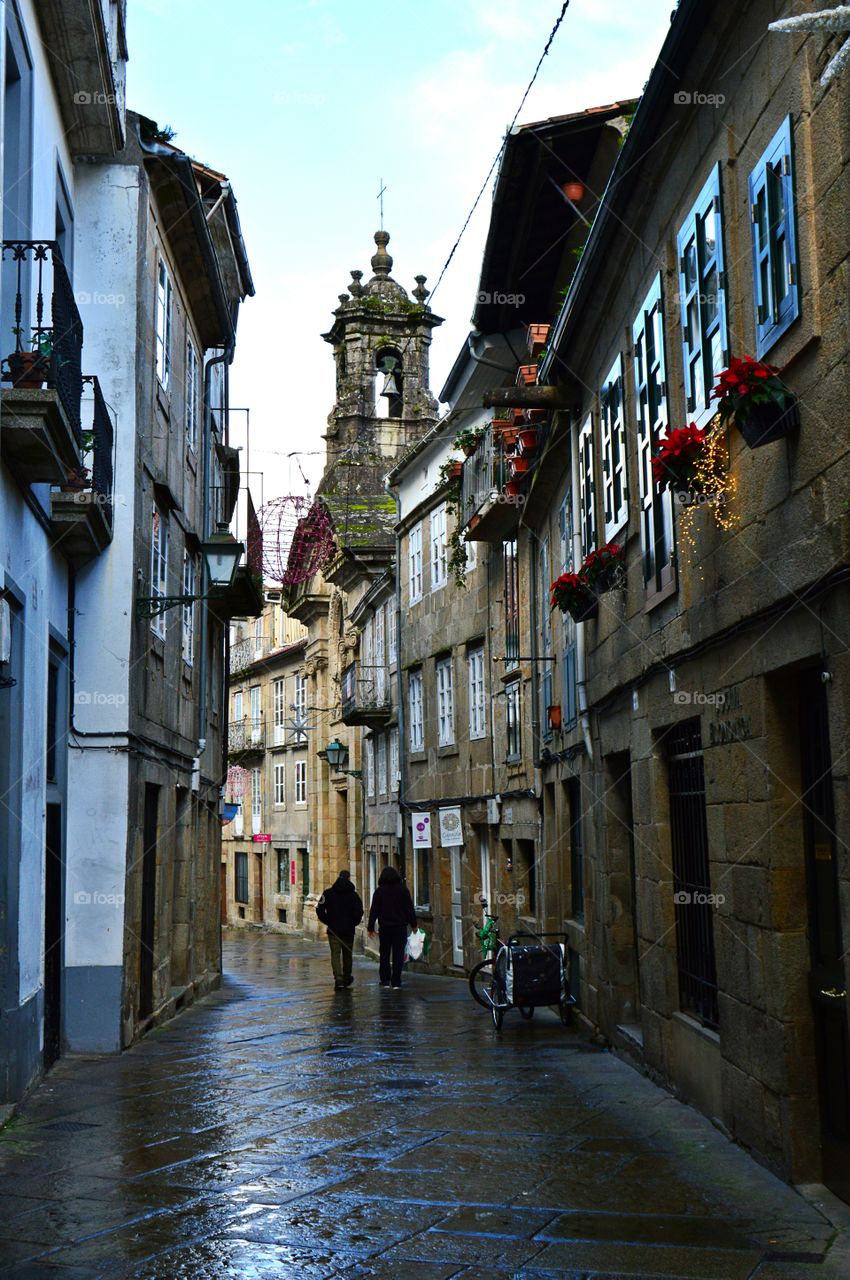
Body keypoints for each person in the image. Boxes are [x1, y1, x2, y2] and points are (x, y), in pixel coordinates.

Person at [367, 865, 416, 989]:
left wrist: (370, 927)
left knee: (384, 953)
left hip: (385, 927)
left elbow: (374, 911)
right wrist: (414, 924)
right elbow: (409, 909)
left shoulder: (379, 892)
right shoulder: (403, 890)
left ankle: (385, 980)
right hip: (400, 927)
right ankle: (396, 981)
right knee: (398, 954)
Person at [316, 869, 363, 990]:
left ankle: (338, 978)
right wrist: (354, 922)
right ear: (348, 879)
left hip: (333, 930)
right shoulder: (353, 895)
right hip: (348, 930)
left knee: (335, 955)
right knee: (347, 954)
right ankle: (346, 977)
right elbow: (359, 911)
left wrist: (328, 921)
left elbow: (319, 909)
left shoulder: (328, 893)